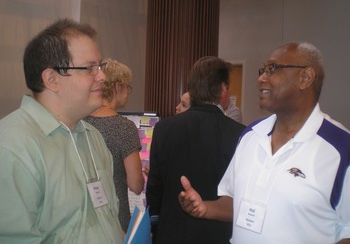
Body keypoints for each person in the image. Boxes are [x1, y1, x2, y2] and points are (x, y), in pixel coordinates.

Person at [179, 42, 350, 243]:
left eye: (273, 69)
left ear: (305, 78)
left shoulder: (341, 148)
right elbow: (233, 200)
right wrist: (205, 208)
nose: (261, 78)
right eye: (263, 70)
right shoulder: (250, 135)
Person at [0, 19, 124, 243]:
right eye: (89, 68)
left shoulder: (92, 137)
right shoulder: (12, 147)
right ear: (52, 79)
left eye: (100, 66)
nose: (102, 76)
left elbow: (108, 217)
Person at [146, 56, 246, 244]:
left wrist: (153, 223)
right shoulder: (240, 134)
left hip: (172, 231)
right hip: (218, 234)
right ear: (223, 88)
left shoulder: (164, 128)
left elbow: (155, 187)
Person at [84, 58, 144, 233]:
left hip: (87, 215)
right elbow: (136, 185)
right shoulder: (124, 128)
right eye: (128, 87)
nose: (128, 92)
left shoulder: (81, 122)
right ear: (118, 86)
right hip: (115, 217)